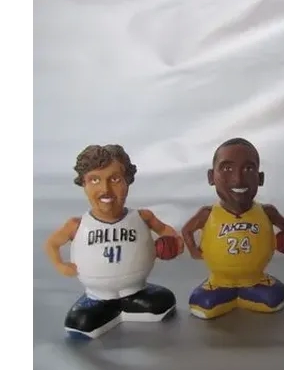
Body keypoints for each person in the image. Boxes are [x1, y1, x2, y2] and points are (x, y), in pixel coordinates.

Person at [44, 144, 184, 340]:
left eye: (115, 179)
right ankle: (100, 305)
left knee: (162, 301)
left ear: (128, 181)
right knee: (80, 322)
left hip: (136, 288)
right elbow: (51, 243)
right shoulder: (78, 225)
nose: (105, 189)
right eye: (95, 180)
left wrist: (175, 244)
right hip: (96, 293)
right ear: (83, 184)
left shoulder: (142, 217)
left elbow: (168, 232)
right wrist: (60, 265)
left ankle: (131, 300)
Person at [181, 138, 284, 319]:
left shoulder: (267, 212)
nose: (238, 179)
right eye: (227, 168)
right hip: (219, 279)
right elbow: (187, 230)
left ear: (260, 178)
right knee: (203, 302)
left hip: (255, 278)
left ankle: (249, 289)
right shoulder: (208, 213)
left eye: (248, 169)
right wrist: (193, 251)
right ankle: (221, 287)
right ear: (211, 177)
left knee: (273, 297)